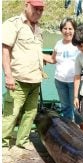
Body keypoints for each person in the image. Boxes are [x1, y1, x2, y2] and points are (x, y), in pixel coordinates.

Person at [2, 0, 45, 150]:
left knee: (30, 114)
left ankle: (22, 141)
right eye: (35, 8)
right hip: (18, 80)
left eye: (41, 9)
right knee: (11, 114)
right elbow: (5, 50)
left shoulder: (38, 28)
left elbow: (36, 52)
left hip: (35, 80)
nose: (38, 12)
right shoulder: (13, 24)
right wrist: (8, 75)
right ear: (26, 5)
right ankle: (3, 142)